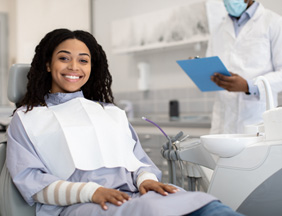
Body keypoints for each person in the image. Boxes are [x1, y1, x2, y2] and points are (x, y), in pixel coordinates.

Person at [6, 28, 243, 216]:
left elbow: (140, 162)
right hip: (80, 205)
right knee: (153, 210)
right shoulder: (28, 119)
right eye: (64, 58)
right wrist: (92, 191)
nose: (74, 67)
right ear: (48, 64)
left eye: (83, 60)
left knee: (206, 204)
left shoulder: (110, 112)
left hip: (137, 195)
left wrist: (147, 181)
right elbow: (32, 182)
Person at [207, 0, 282, 134]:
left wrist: (248, 85)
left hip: (257, 121)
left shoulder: (274, 22)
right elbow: (210, 64)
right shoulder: (218, 29)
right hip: (223, 123)